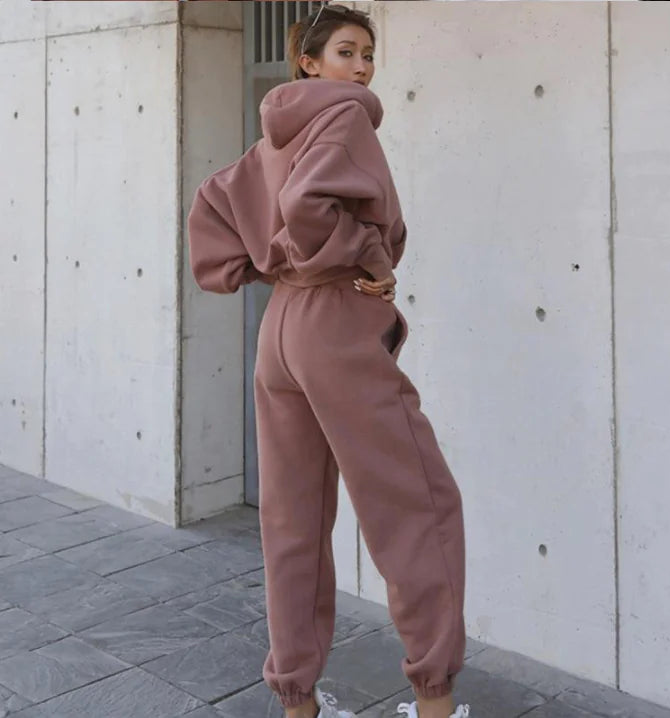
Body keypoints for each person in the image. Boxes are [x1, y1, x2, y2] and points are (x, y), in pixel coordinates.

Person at [187, 4, 469, 718]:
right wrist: (369, 259)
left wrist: (273, 266)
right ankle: (436, 703)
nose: (363, 67)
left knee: (293, 520)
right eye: (347, 51)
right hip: (336, 322)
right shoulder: (345, 117)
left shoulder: (276, 134)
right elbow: (311, 206)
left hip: (281, 328)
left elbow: (214, 202)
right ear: (309, 62)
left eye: (368, 54)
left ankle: (298, 701)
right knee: (416, 504)